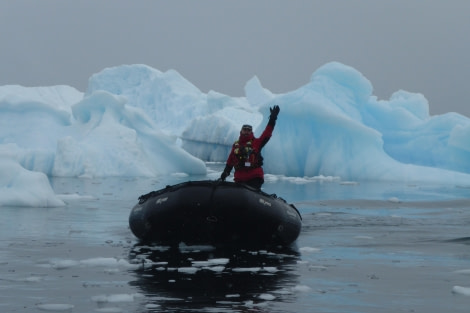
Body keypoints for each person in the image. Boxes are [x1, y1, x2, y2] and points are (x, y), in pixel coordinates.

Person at [219, 105, 280, 190]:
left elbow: (267, 133)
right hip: (239, 179)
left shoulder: (256, 143)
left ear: (251, 132)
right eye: (245, 129)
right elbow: (230, 162)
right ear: (241, 131)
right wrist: (224, 174)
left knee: (249, 192)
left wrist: (272, 119)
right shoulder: (236, 146)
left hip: (254, 178)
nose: (246, 132)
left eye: (249, 130)